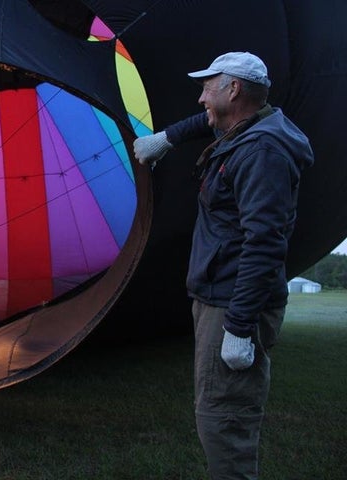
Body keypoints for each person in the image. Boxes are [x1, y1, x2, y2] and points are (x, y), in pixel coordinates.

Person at [133, 52, 314, 479]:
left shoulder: (262, 152)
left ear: (233, 89)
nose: (200, 99)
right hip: (221, 296)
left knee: (224, 420)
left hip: (233, 303)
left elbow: (265, 244)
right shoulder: (252, 127)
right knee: (217, 412)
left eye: (207, 87)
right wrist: (168, 138)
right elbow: (207, 121)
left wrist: (237, 326)